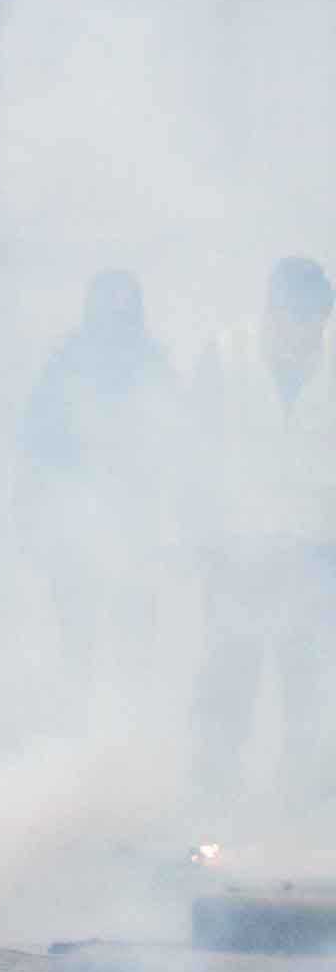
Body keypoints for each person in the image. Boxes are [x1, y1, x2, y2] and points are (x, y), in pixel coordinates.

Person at [187, 256, 336, 814]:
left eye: (315, 324)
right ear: (271, 312)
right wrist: (197, 531)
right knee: (228, 680)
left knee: (311, 689)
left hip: (320, 553)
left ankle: (304, 811)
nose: (304, 335)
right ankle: (211, 803)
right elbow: (189, 448)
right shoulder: (227, 357)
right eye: (294, 320)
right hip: (238, 549)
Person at [16, 271, 185, 673]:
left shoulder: (154, 371)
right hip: (71, 529)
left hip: (134, 527)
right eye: (107, 311)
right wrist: (29, 519)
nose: (113, 323)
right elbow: (35, 452)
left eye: (122, 313)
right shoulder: (62, 371)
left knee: (133, 641)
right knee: (78, 642)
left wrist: (180, 528)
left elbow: (180, 452)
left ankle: (128, 722)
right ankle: (80, 725)